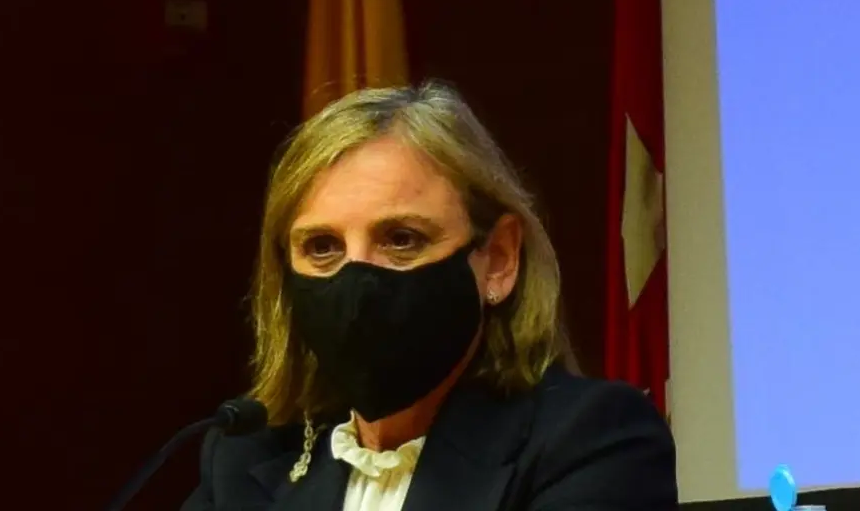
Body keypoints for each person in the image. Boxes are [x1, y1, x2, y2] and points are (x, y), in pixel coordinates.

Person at [182, 83, 676, 511]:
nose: (357, 282)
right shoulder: (245, 454)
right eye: (322, 247)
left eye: (401, 239)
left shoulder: (593, 441)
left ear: (498, 259)